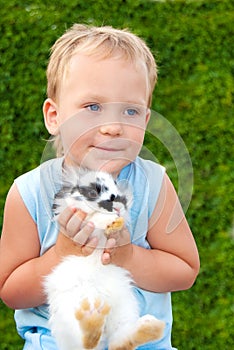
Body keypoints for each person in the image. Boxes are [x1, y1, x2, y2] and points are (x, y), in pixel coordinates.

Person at [0, 24, 200, 349]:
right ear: (54, 116)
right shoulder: (29, 192)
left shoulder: (153, 183)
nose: (112, 127)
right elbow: (11, 290)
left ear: (146, 121)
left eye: (130, 111)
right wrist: (62, 254)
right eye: (92, 107)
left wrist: (127, 256)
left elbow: (185, 270)